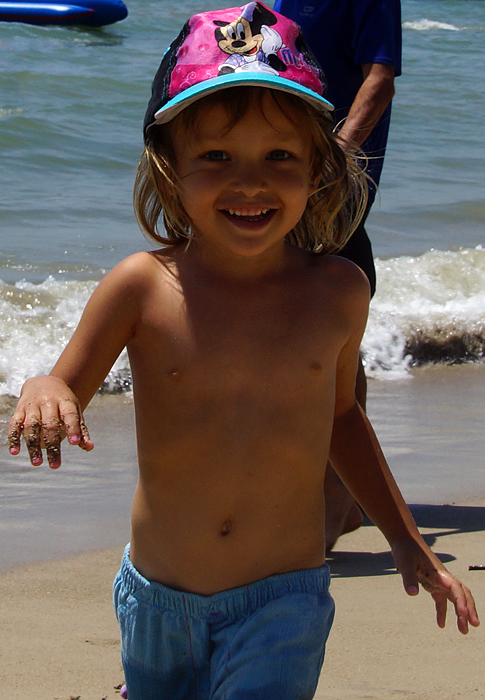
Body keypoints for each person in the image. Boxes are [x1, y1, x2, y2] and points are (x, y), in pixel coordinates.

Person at [8, 4, 478, 700]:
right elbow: (63, 380)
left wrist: (405, 538)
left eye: (279, 157)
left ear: (319, 165)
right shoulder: (142, 287)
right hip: (157, 599)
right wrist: (42, 390)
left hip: (281, 599)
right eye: (216, 157)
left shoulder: (337, 293)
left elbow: (342, 419)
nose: (250, 182)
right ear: (170, 166)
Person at [273, 0, 402, 550]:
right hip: (291, 171)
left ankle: (335, 502)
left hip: (334, 182)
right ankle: (338, 496)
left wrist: (336, 157)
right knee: (297, 321)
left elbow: (380, 80)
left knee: (327, 322)